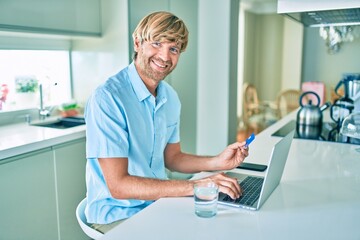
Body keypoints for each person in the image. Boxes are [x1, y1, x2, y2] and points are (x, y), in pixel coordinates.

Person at [84, 11, 249, 233]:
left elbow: (173, 158)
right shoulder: (108, 98)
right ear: (137, 43)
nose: (164, 56)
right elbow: (119, 186)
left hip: (157, 204)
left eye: (174, 49)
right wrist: (196, 186)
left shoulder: (169, 97)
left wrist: (218, 162)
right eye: (157, 43)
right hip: (117, 215)